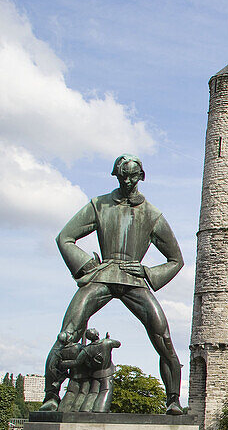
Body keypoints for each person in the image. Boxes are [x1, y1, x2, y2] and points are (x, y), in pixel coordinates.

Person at [41, 154, 185, 415]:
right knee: (67, 334)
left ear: (141, 176)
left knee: (163, 338)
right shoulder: (100, 205)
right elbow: (65, 237)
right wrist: (86, 266)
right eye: (123, 176)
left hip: (134, 279)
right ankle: (51, 395)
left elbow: (176, 259)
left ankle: (173, 400)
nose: (128, 181)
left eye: (132, 176)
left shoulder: (152, 214)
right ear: (116, 176)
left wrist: (147, 272)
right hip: (104, 274)